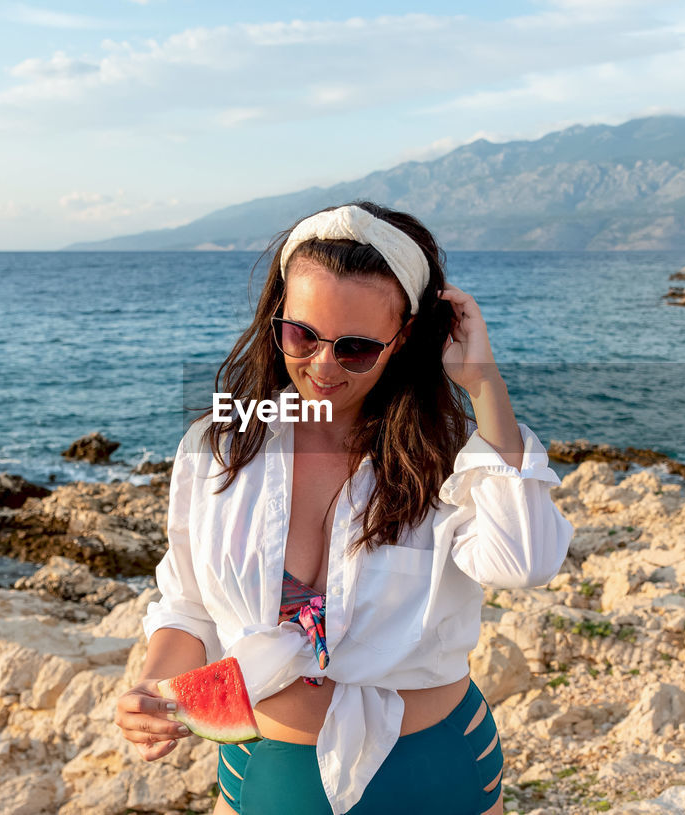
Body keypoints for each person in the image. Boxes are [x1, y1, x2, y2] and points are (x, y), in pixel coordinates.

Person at [114, 201, 573, 815]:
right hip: (264, 768)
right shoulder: (221, 446)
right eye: (301, 335)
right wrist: (155, 690)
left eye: (356, 347)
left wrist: (484, 383)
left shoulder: (446, 457)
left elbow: (526, 562)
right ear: (276, 317)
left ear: (403, 338)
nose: (323, 366)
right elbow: (188, 602)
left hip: (433, 772)